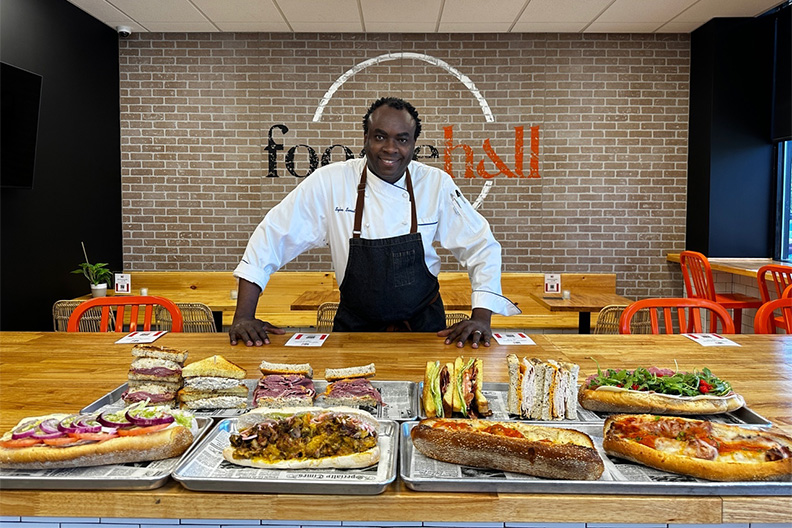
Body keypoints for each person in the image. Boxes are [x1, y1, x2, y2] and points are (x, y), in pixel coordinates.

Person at [229, 96, 519, 348]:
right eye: (380, 136)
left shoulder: (435, 185)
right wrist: (243, 315)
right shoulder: (330, 182)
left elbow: (481, 246)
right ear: (365, 138)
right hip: (354, 329)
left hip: (425, 330)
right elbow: (271, 237)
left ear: (414, 144)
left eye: (402, 139)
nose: (390, 148)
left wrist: (481, 317)